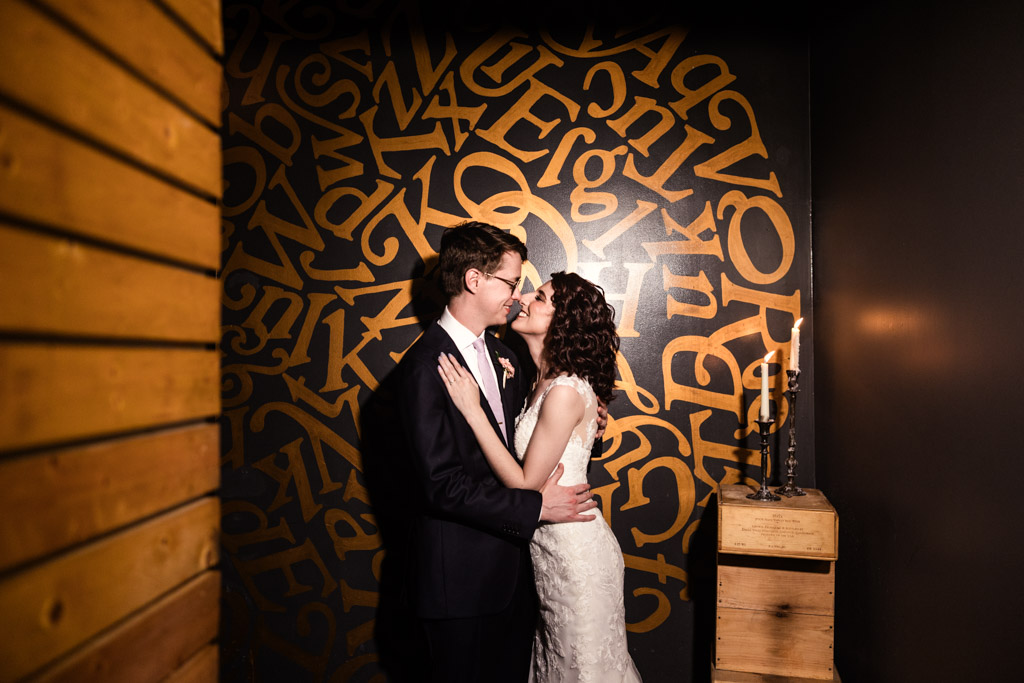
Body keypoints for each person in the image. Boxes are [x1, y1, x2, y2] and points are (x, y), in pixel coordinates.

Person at [396, 222, 598, 683]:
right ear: (474, 280)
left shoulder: (502, 354)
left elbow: (530, 436)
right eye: (510, 281)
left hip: (517, 576)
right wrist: (534, 506)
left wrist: (588, 423)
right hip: (460, 586)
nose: (517, 293)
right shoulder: (425, 368)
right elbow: (441, 487)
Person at [438, 271, 642, 682]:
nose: (525, 298)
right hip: (547, 561)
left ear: (561, 322)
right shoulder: (533, 379)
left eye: (541, 297)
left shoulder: (564, 390)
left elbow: (526, 485)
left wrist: (472, 410)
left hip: (577, 560)